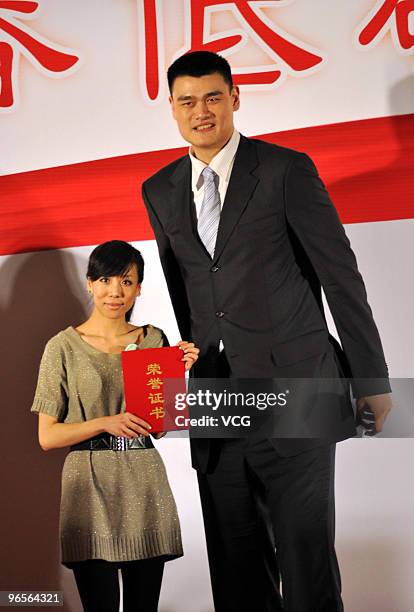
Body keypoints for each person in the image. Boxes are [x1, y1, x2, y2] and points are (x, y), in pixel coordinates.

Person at [141, 51, 392, 612]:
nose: (200, 111)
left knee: (306, 565)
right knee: (235, 567)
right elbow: (186, 291)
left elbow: (339, 275)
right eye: (187, 101)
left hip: (297, 389)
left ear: (234, 98)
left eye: (212, 97)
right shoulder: (158, 190)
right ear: (172, 108)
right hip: (216, 400)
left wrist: (371, 379)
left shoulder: (284, 169)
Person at [30, 240, 199, 612]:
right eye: (105, 279)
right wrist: (106, 422)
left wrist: (178, 375)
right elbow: (47, 436)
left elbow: (159, 427)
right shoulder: (62, 347)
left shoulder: (152, 339)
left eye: (126, 281)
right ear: (89, 283)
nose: (115, 292)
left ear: (139, 287)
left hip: (144, 480)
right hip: (87, 486)